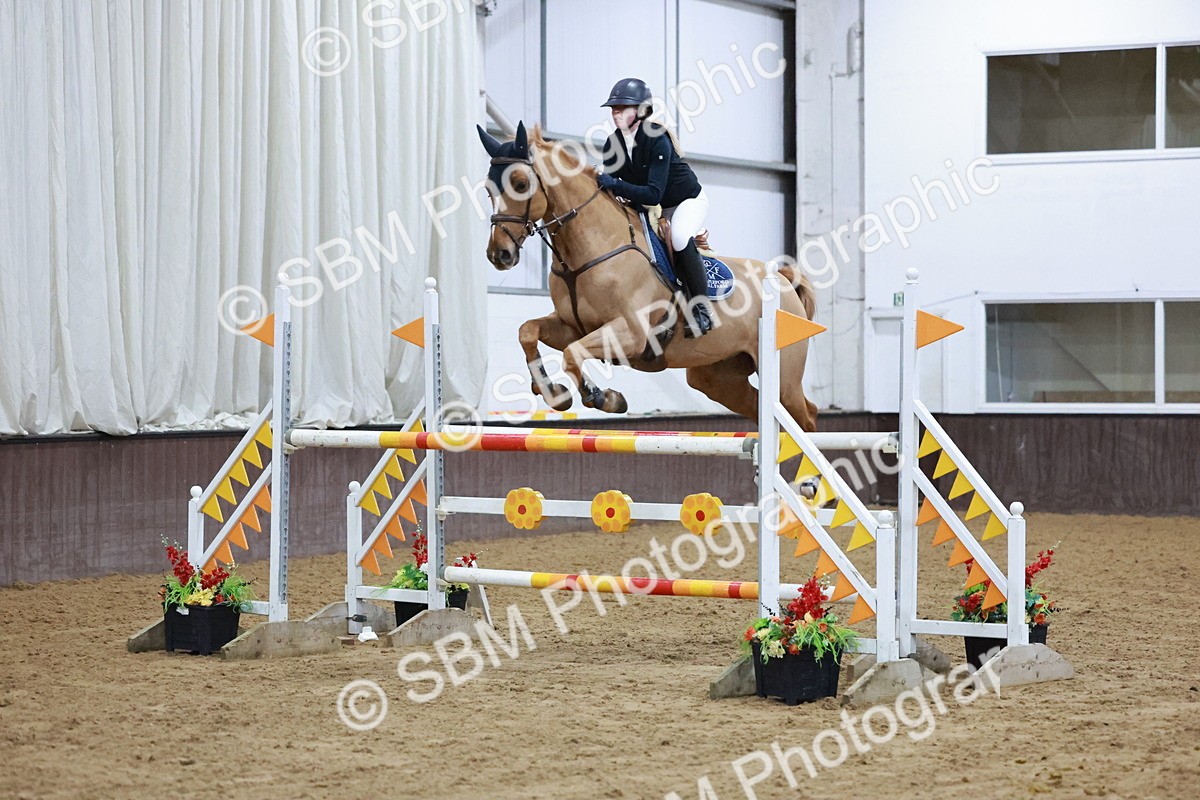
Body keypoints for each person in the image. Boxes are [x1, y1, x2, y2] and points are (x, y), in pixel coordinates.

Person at [596, 77, 713, 337]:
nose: (615, 112)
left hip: (686, 201)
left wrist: (614, 183)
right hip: (650, 206)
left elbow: (652, 193)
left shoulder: (657, 139)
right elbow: (616, 191)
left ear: (640, 111)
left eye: (622, 107)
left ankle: (702, 309)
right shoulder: (612, 144)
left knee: (681, 237)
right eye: (613, 108)